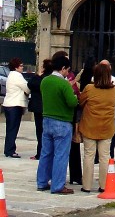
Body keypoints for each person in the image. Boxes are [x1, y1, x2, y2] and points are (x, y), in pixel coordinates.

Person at [37, 55, 79, 195]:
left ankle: (42, 182)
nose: (68, 72)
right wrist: (73, 94)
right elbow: (72, 102)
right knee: (60, 155)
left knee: (46, 153)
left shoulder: (45, 81)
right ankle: (58, 185)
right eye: (67, 70)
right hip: (62, 122)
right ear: (63, 68)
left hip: (47, 119)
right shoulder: (63, 84)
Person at [78, 62, 115, 193]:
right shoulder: (114, 89)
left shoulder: (89, 88)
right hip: (107, 126)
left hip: (90, 125)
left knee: (89, 155)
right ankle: (104, 185)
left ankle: (87, 185)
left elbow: (81, 101)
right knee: (105, 156)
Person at [3, 57, 30, 158]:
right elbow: (27, 88)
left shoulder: (10, 75)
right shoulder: (17, 76)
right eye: (21, 65)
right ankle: (10, 150)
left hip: (8, 104)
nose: (22, 67)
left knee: (10, 128)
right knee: (13, 128)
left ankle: (8, 149)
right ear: (16, 67)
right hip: (15, 105)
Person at [27, 58, 53, 160]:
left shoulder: (40, 79)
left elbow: (30, 84)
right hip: (48, 108)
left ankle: (40, 153)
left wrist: (37, 75)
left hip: (39, 108)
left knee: (40, 132)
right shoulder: (51, 79)